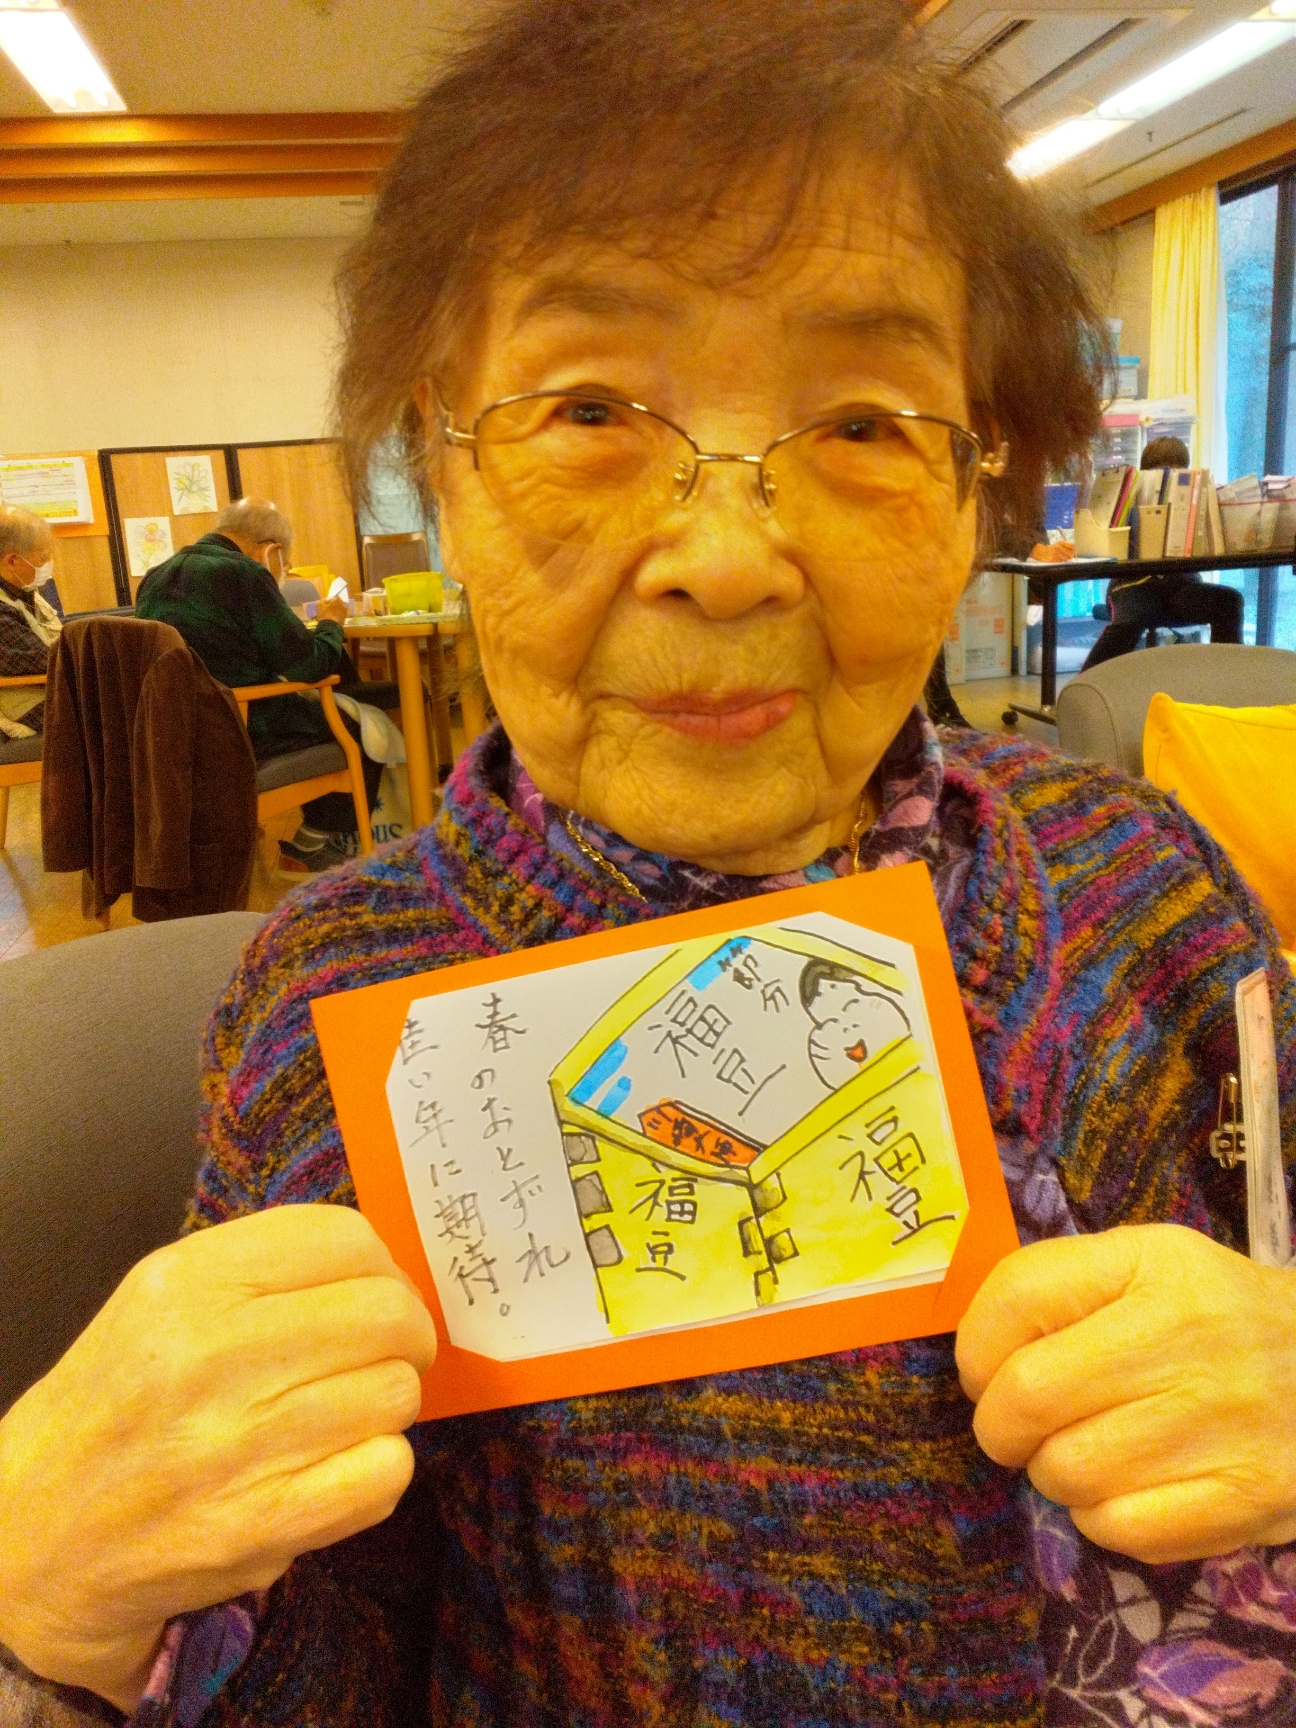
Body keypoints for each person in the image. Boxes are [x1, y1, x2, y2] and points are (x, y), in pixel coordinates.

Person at [2, 3, 1295, 1725]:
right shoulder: (333, 1007)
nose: (727, 557)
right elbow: (317, 1660)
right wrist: (68, 1598)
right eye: (590, 407)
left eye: (863, 423)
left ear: (977, 484)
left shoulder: (1139, 880)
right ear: (442, 470)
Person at [134, 497, 400, 875]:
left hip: (178, 732)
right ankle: (317, 844)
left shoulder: (155, 576)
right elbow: (308, 666)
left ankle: (317, 839)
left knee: (335, 701)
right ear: (271, 550)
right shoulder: (245, 573)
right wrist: (331, 623)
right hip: (242, 724)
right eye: (285, 564)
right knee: (362, 721)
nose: (283, 572)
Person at [1082, 435, 1245, 668]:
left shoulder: (1195, 500)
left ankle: (1227, 675)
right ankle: (1088, 679)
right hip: (1132, 586)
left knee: (1229, 601)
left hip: (1180, 587)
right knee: (1133, 618)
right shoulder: (1130, 499)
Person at [0, 504, 59, 740]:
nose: (48, 562)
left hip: (48, 686)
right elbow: (44, 660)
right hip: (23, 698)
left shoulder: (23, 590)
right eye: (43, 556)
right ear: (12, 561)